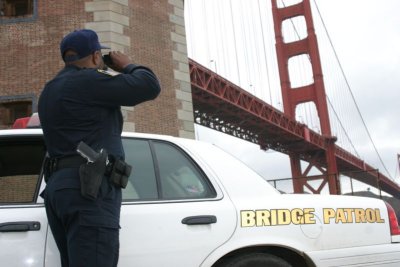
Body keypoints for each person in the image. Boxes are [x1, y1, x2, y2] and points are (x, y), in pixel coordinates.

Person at [38, 29, 161, 267]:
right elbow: (149, 86)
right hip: (89, 189)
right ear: (96, 56)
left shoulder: (51, 88)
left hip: (59, 189)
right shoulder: (89, 81)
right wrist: (127, 65)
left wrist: (103, 69)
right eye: (99, 57)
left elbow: (92, 81)